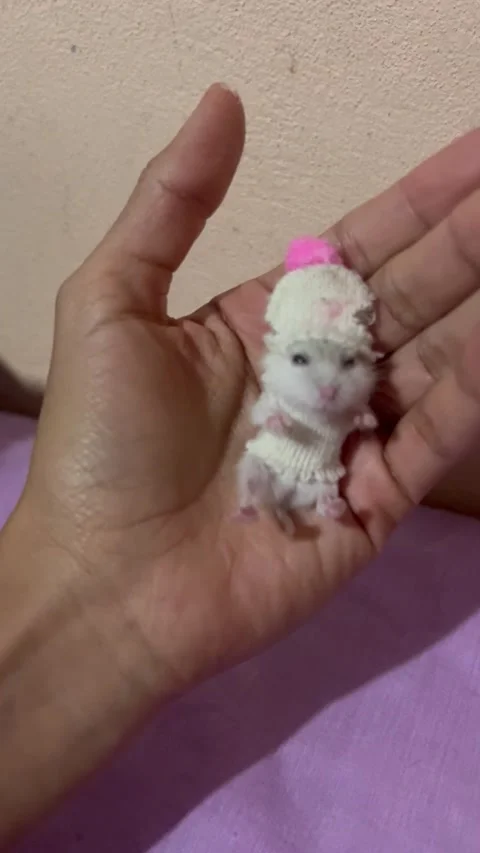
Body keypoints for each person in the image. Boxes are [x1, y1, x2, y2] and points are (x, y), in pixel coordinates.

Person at [0, 82, 479, 846]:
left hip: (316, 458)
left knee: (310, 479)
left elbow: (343, 407)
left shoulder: (346, 390)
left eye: (342, 362)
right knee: (270, 474)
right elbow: (275, 416)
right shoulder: (273, 398)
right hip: (274, 449)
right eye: (305, 361)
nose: (326, 378)